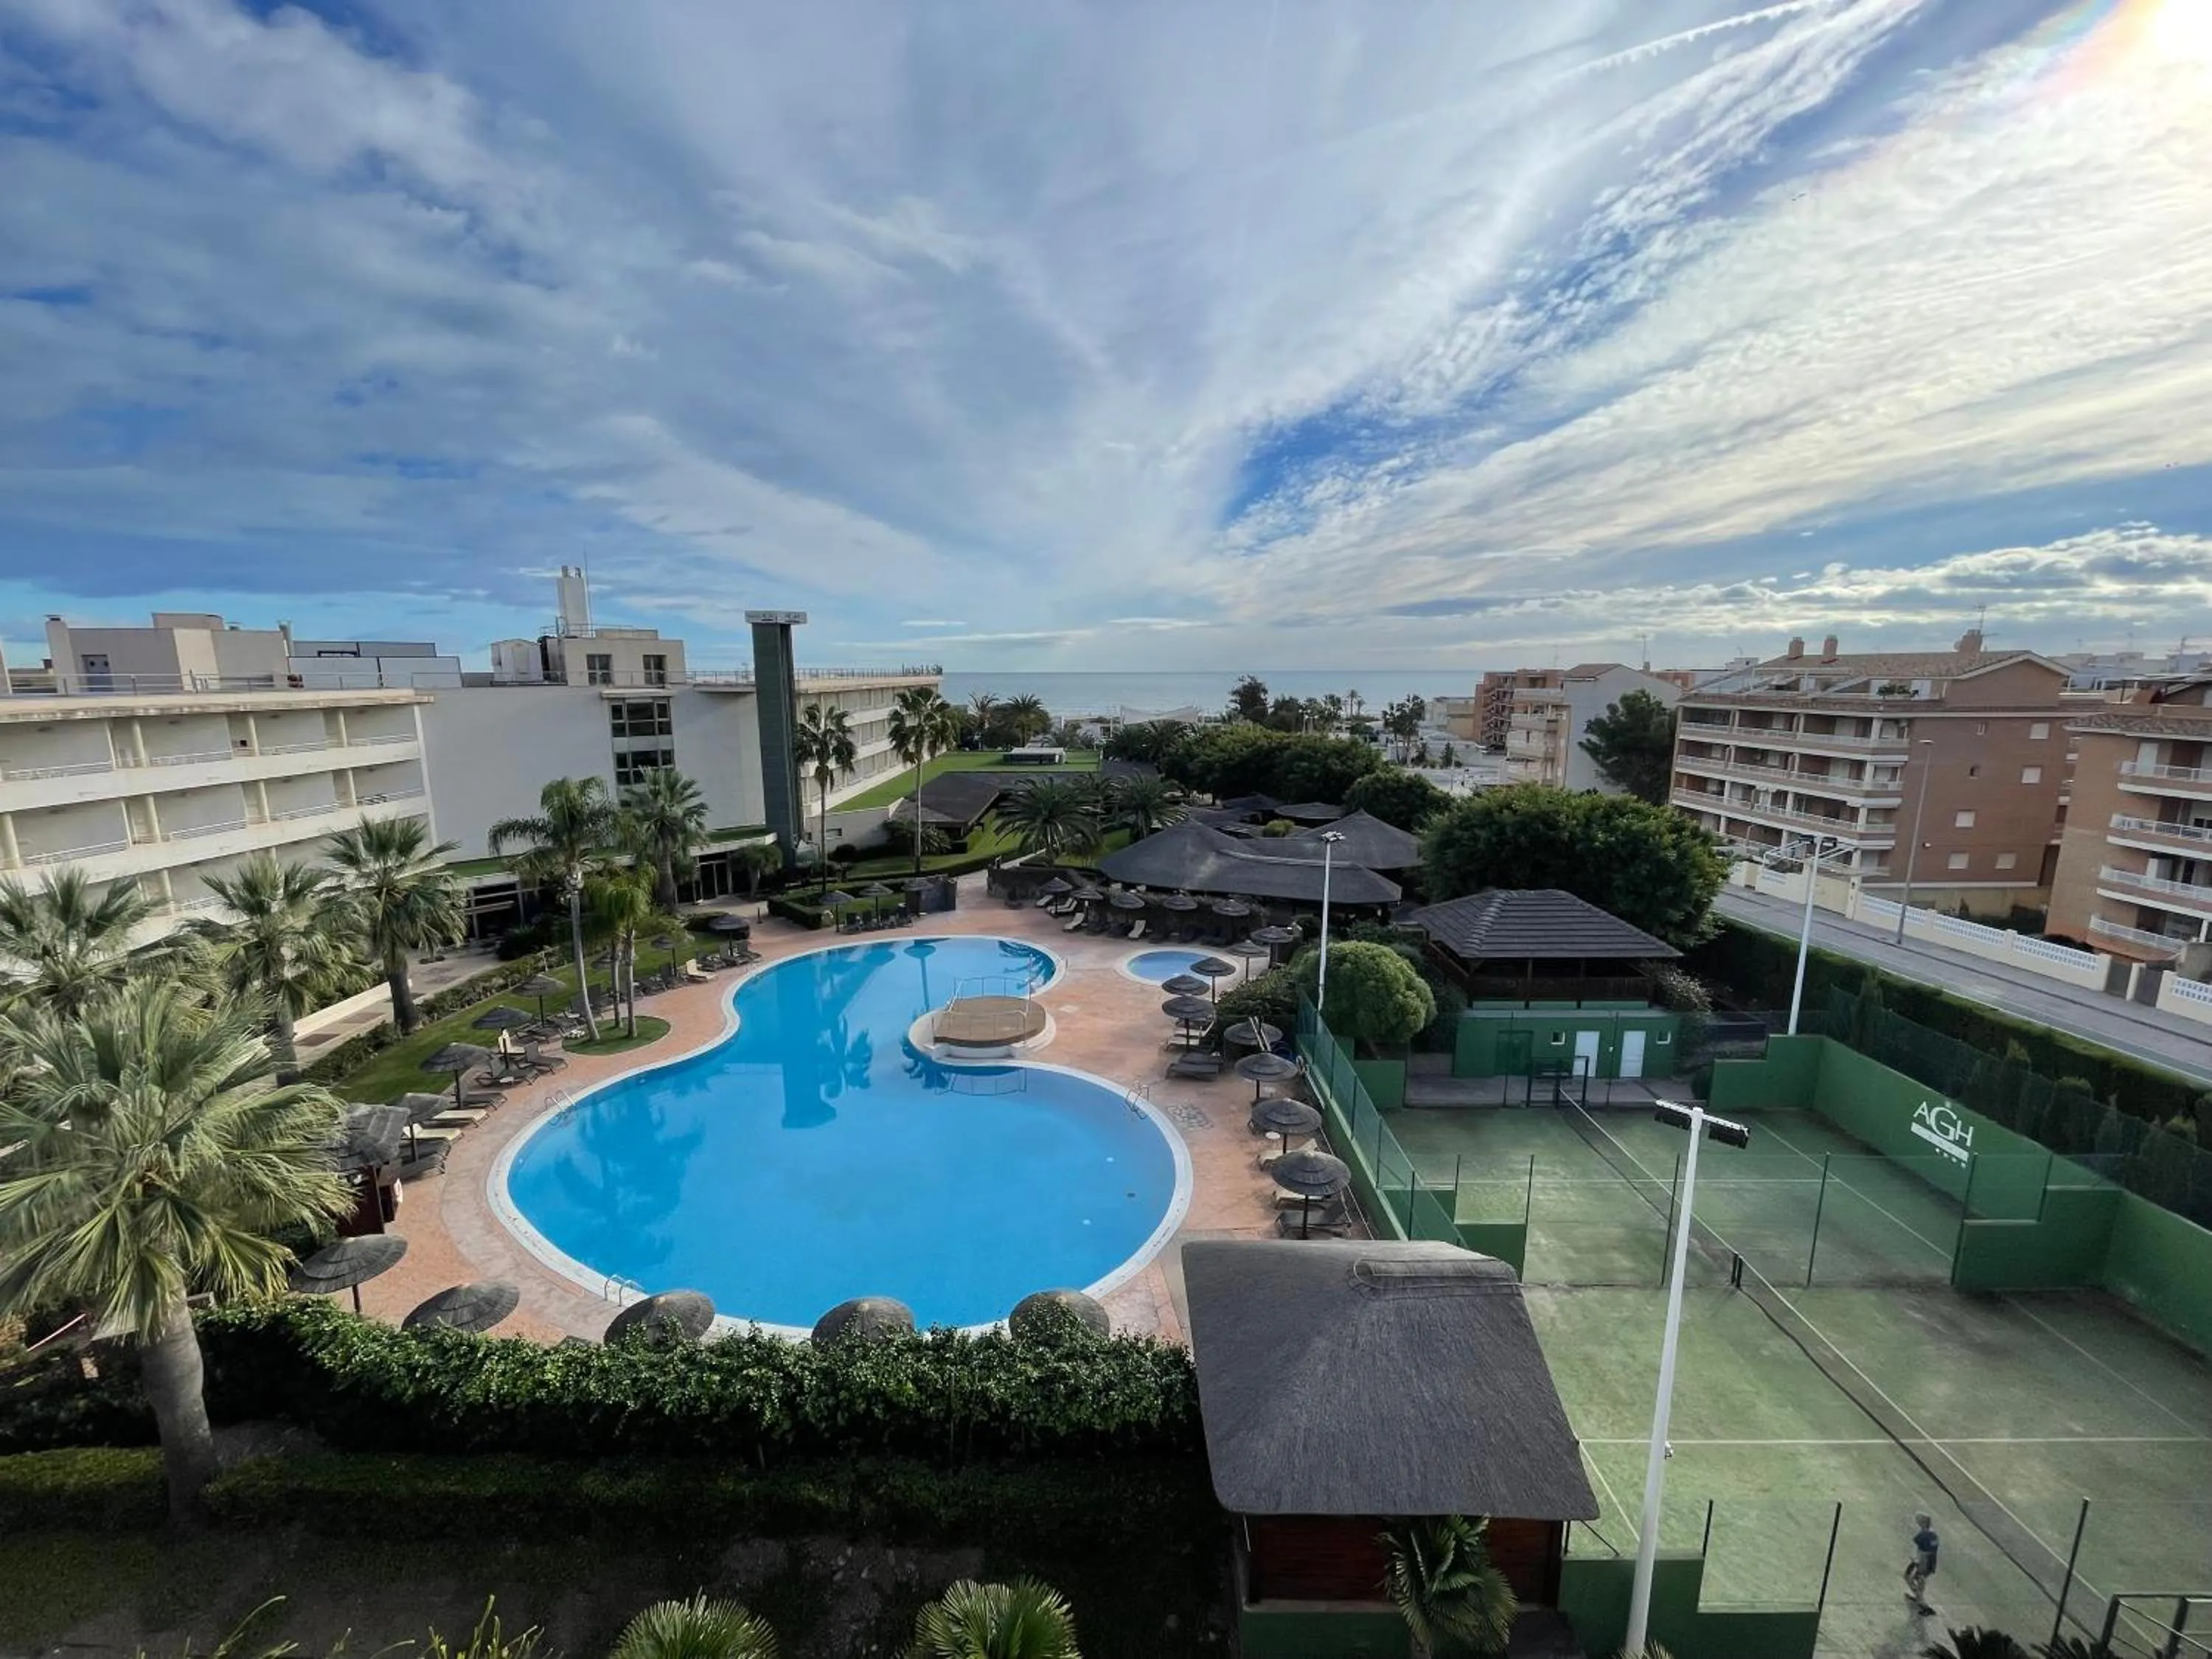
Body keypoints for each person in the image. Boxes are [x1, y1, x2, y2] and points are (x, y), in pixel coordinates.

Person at [1904, 1513, 1939, 1614]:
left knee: (1909, 1578)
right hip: (1931, 1562)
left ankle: (1922, 1603)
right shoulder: (1934, 1535)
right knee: (1920, 1581)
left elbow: (1918, 1549)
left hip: (1922, 1561)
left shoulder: (1922, 1535)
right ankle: (1919, 1597)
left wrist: (1916, 1561)